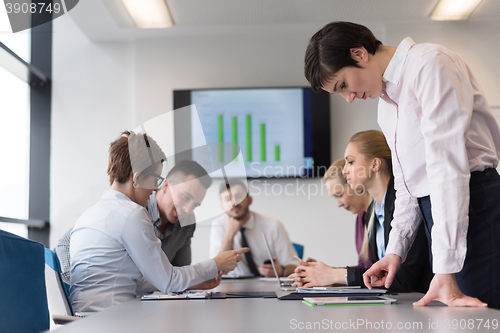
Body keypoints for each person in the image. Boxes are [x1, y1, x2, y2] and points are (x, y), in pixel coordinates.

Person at [304, 21, 500, 308]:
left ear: (359, 54)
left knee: (478, 321)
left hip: (474, 204)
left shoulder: (429, 64)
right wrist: (395, 251)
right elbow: (407, 186)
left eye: (343, 84)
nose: (348, 98)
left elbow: (446, 168)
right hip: (440, 213)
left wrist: (445, 268)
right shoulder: (386, 104)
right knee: (456, 321)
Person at [70, 131, 248, 312]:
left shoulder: (88, 215)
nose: (155, 188)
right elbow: (169, 280)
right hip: (113, 320)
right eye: (155, 179)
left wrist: (193, 282)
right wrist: (215, 264)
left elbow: (136, 282)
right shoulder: (132, 214)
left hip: (85, 320)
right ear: (137, 178)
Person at [290, 131, 432, 292]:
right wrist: (323, 275)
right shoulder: (373, 211)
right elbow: (377, 274)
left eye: (350, 162)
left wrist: (335, 275)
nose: (344, 171)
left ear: (375, 164)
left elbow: (402, 279)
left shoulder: (407, 208)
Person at [56, 160, 211, 285]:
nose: (188, 209)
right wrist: (77, 284)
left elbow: (179, 272)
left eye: (195, 205)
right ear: (166, 185)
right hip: (119, 302)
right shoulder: (131, 209)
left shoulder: (187, 224)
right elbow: (63, 243)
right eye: (186, 197)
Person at [209, 178, 298, 277]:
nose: (234, 203)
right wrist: (229, 235)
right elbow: (217, 270)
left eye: (239, 196)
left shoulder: (273, 225)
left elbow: (294, 266)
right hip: (233, 285)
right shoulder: (218, 225)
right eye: (228, 199)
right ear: (222, 207)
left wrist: (281, 271)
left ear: (250, 200)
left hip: (267, 285)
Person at [323, 158, 373, 269]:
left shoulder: (381, 215)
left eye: (339, 195)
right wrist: (325, 272)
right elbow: (363, 267)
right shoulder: (361, 217)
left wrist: (331, 274)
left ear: (354, 183)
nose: (338, 204)